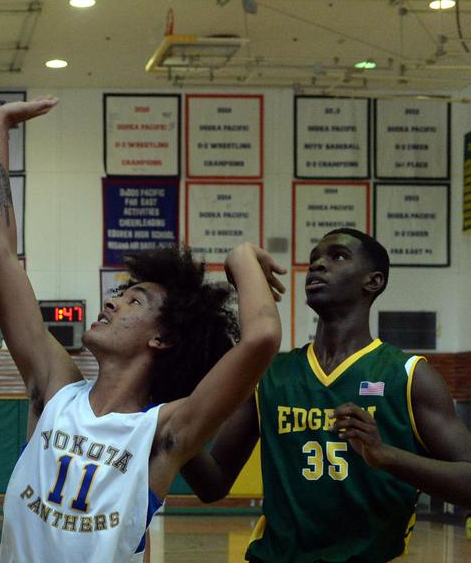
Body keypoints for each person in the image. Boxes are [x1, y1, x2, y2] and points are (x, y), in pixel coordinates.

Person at [0, 99, 285, 562]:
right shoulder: (55, 390)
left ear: (162, 338)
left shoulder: (161, 433)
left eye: (134, 300)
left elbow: (261, 337)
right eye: (121, 293)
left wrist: (240, 259)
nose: (112, 301)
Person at [180, 228, 471, 562]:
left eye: (338, 256)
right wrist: (170, 420)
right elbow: (212, 484)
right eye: (314, 258)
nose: (317, 265)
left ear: (373, 282)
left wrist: (386, 455)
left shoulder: (408, 376)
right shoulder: (270, 374)